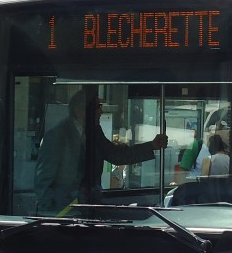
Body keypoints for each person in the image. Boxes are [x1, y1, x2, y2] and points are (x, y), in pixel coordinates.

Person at [33, 89, 168, 213]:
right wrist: (49, 216)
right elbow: (43, 184)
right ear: (81, 110)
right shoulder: (57, 135)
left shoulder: (94, 131)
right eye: (98, 107)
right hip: (62, 213)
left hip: (89, 209)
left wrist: (152, 146)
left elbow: (116, 155)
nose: (101, 112)